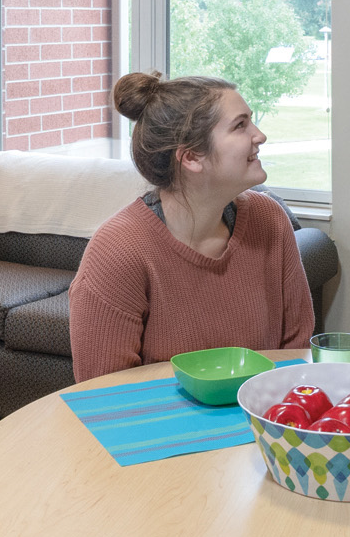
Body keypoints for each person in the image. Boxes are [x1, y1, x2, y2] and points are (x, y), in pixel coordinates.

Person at [69, 72, 314, 382]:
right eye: (240, 125)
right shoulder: (118, 251)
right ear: (192, 157)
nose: (259, 135)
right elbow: (102, 394)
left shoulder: (270, 220)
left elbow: (293, 353)